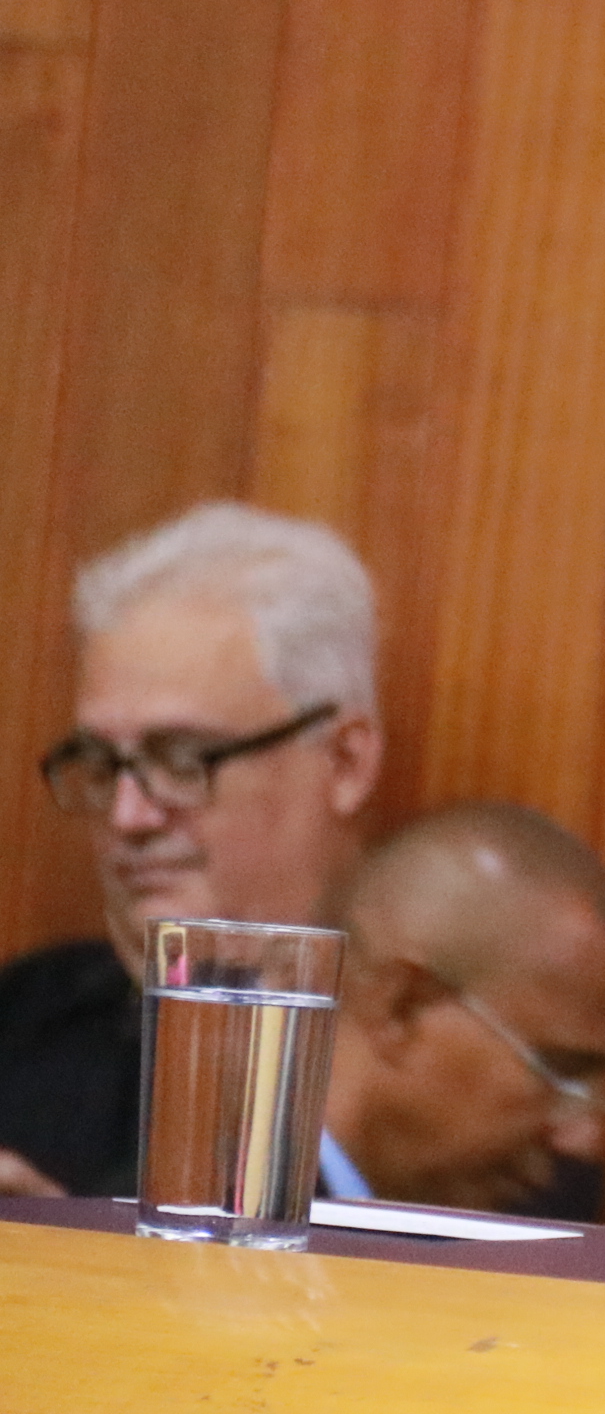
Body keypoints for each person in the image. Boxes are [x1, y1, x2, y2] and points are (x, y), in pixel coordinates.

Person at [0, 503, 384, 1199]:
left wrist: (78, 1253)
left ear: (344, 762)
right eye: (102, 762)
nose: (128, 816)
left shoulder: (453, 1059)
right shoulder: (22, 1029)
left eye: (182, 758)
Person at [316, 802, 605, 1215]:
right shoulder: (241, 1220)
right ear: (402, 1008)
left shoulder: (527, 1231)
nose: (583, 1138)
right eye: (558, 1071)